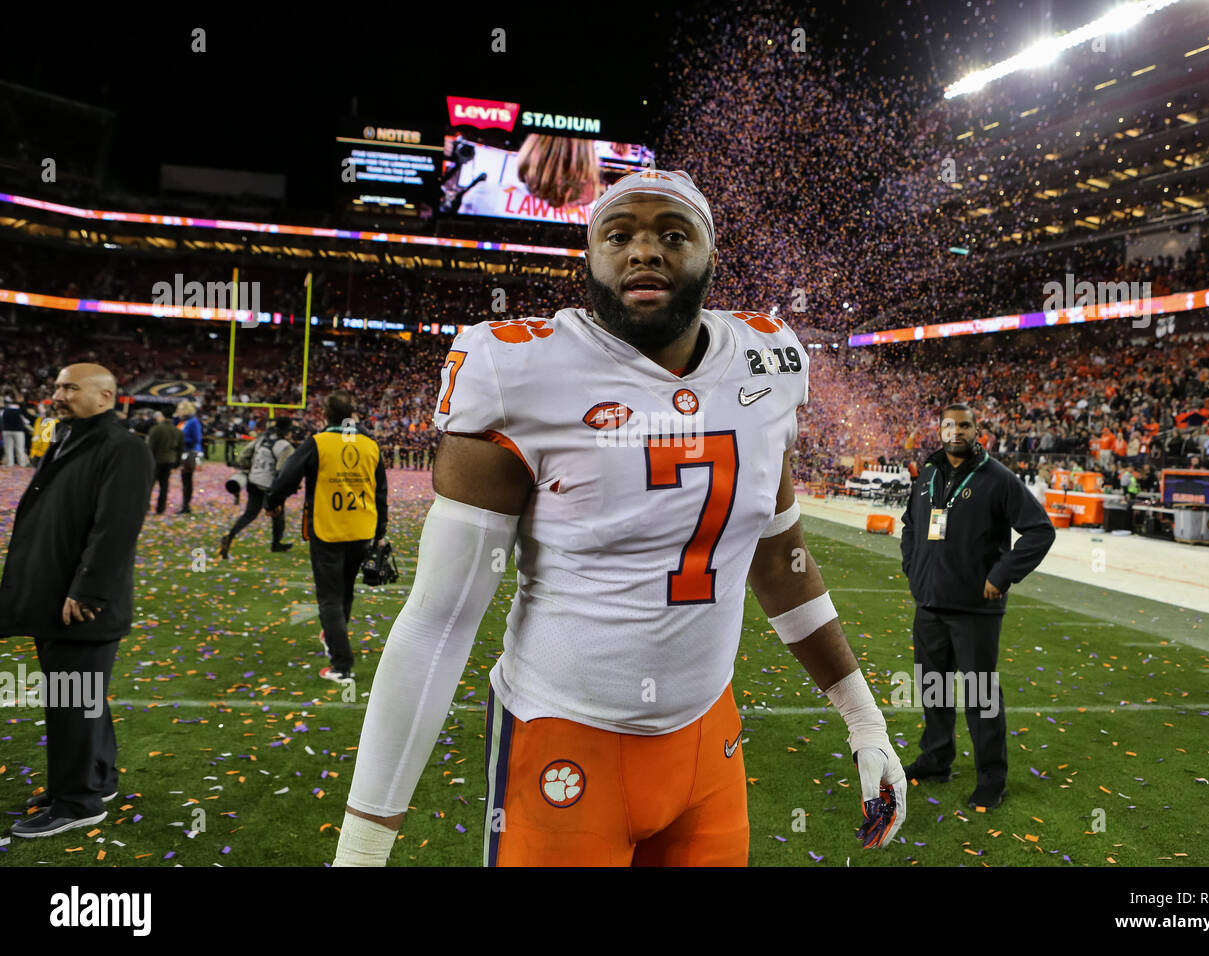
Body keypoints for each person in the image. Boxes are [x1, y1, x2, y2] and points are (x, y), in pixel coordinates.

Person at [330, 169, 907, 868]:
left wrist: (864, 720)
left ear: (711, 257)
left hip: (708, 748)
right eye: (620, 234)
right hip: (562, 740)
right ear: (589, 258)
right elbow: (439, 622)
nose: (645, 251)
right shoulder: (519, 370)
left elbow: (782, 563)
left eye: (673, 234)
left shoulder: (765, 361)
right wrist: (362, 849)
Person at [0, 364, 153, 838]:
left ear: (105, 396)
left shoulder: (123, 447)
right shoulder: (70, 436)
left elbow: (116, 528)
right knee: (84, 700)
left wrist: (89, 589)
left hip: (82, 603)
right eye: (57, 386)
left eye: (70, 387)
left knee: (71, 701)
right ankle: (98, 779)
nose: (58, 394)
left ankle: (76, 801)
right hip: (55, 595)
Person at [899, 402, 1056, 811]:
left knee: (980, 695)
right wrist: (913, 567)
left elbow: (1040, 530)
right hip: (929, 603)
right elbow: (911, 525)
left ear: (977, 430)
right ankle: (936, 759)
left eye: (964, 425)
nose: (956, 432)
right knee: (933, 689)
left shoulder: (997, 478)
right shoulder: (928, 473)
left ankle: (991, 777)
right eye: (949, 425)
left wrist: (1002, 575)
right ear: (939, 430)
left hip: (974, 610)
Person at [265, 394, 387, 683]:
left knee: (329, 597)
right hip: (362, 529)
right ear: (352, 415)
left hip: (328, 528)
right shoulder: (370, 445)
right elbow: (380, 491)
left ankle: (341, 664)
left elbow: (287, 476)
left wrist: (272, 501)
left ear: (325, 415)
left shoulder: (318, 443)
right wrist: (380, 531)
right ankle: (334, 636)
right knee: (344, 591)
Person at [220, 417, 296, 558]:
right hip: (269, 486)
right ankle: (276, 544)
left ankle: (230, 536)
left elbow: (244, 456)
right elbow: (282, 470)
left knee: (250, 514)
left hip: (253, 481)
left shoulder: (261, 440)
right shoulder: (285, 446)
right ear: (287, 431)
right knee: (278, 514)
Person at [145, 410, 183, 515]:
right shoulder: (177, 431)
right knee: (164, 485)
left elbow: (150, 447)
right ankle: (160, 508)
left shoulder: (156, 429)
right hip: (169, 460)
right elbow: (180, 449)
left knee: (150, 484)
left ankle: (145, 506)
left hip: (156, 460)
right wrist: (177, 462)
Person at [175, 400, 203, 514]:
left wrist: (181, 440)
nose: (178, 411)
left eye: (180, 409)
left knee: (187, 480)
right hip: (183, 452)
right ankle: (185, 504)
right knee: (185, 480)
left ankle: (186, 505)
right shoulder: (183, 421)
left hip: (190, 453)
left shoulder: (193, 421)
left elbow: (197, 439)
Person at [2, 397, 34, 467]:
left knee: (8, 448)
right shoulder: (19, 410)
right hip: (18, 431)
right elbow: (26, 421)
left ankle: (10, 464)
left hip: (6, 430)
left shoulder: (5, 410)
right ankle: (22, 464)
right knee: (20, 448)